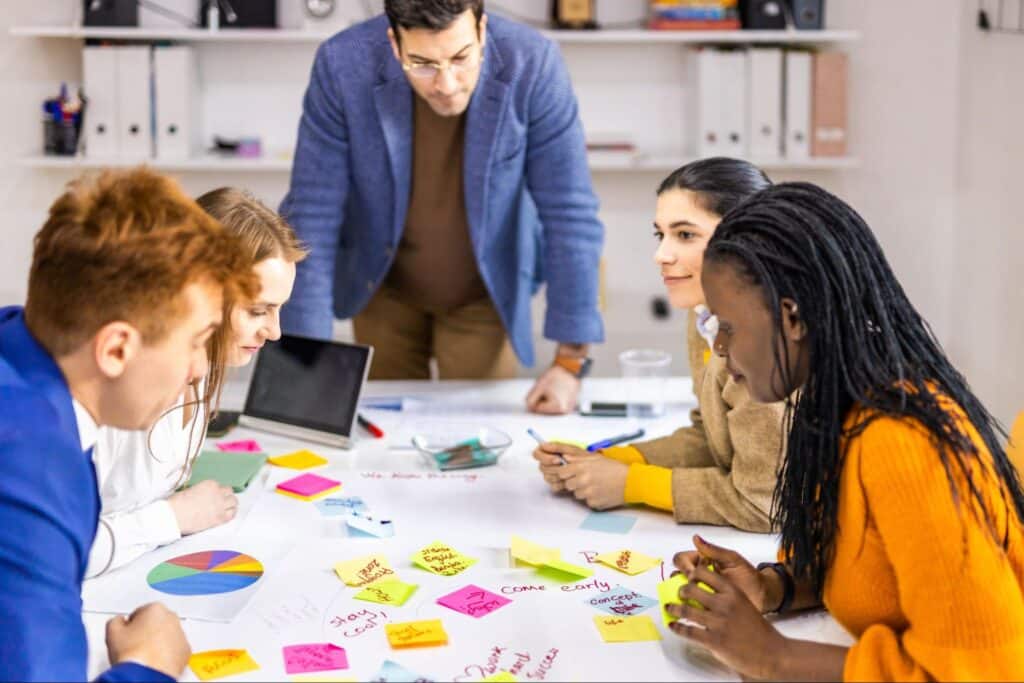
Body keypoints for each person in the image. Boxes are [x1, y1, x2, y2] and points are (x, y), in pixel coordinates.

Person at [666, 183, 1024, 680]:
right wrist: (776, 587)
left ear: (791, 317)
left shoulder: (901, 439)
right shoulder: (833, 402)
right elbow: (871, 563)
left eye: (727, 325)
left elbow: (991, 670)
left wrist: (773, 656)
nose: (721, 350)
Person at [280, 0, 604, 414]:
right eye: (423, 64)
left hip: (484, 292)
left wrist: (569, 361)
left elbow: (569, 210)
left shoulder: (533, 62)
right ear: (393, 44)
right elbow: (312, 212)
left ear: (482, 30)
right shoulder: (342, 64)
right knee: (380, 440)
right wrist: (304, 364)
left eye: (461, 58)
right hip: (381, 287)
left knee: (475, 440)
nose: (447, 84)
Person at [0, 168, 257, 681]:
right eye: (195, 341)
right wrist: (148, 666)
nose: (201, 368)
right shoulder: (27, 467)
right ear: (116, 349)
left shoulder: (22, 351)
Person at [532, 158, 785, 532]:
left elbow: (764, 502)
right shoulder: (707, 313)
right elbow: (714, 439)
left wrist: (631, 485)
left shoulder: (766, 343)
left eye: (684, 235)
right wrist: (614, 461)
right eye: (661, 234)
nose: (661, 255)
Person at [87, 188, 306, 577]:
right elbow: (50, 553)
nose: (274, 332)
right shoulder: (107, 389)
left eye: (279, 310)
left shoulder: (202, 363)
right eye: (259, 311)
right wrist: (172, 517)